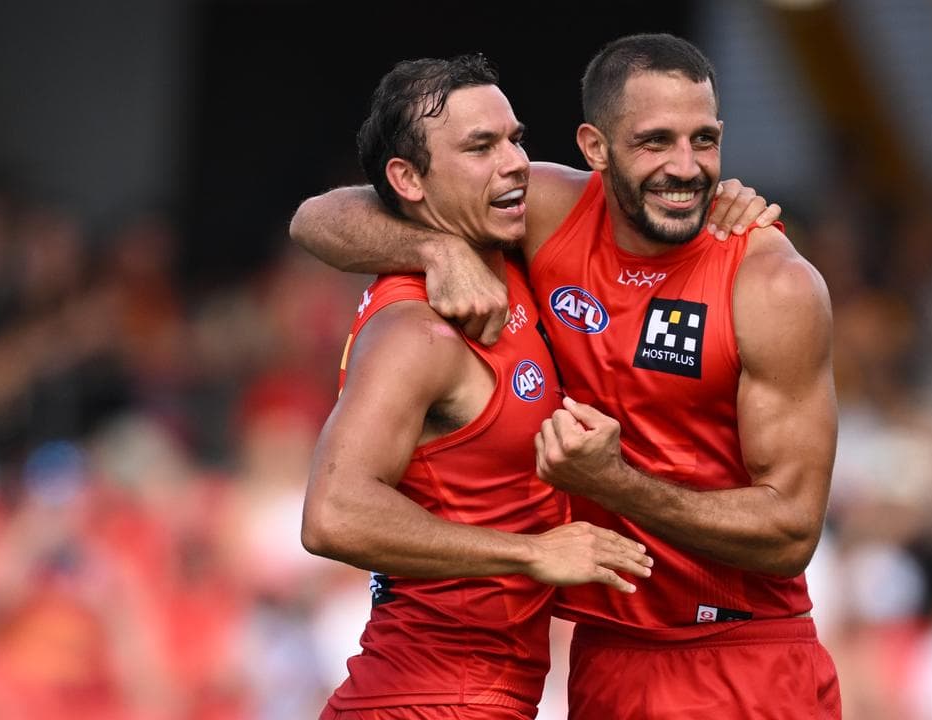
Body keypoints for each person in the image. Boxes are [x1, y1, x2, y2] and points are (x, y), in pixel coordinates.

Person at [293, 34, 840, 719]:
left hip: (739, 656)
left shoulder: (770, 283)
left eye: (703, 140)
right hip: (601, 657)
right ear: (595, 148)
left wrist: (611, 483)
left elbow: (792, 533)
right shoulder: (542, 216)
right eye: (655, 141)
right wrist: (434, 249)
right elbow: (315, 218)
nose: (685, 167)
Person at [299, 54, 657, 720]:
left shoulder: (509, 256)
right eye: (480, 147)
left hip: (474, 696)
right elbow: (333, 514)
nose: (516, 163)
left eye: (516, 139)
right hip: (428, 697)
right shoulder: (417, 332)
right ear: (408, 179)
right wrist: (532, 554)